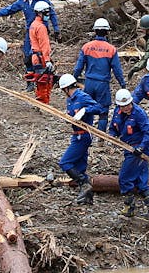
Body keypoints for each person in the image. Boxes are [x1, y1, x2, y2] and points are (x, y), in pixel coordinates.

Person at [0, 0, 59, 83]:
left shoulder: (42, 1)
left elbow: (51, 13)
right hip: (30, 31)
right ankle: (30, 81)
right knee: (28, 56)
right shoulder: (22, 2)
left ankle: (44, 77)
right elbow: (8, 10)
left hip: (41, 30)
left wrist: (56, 29)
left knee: (42, 53)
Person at [72, 18, 126, 133]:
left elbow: (78, 67)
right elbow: (117, 70)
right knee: (103, 111)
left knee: (87, 108)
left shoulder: (86, 47)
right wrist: (122, 84)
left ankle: (86, 133)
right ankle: (100, 138)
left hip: (89, 83)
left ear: (95, 31)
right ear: (107, 32)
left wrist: (73, 80)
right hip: (103, 84)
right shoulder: (111, 49)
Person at [110, 89, 149, 219]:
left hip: (138, 150)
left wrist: (141, 147)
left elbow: (148, 132)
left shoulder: (139, 113)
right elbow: (113, 128)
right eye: (123, 106)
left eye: (127, 105)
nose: (126, 108)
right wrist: (112, 136)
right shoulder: (117, 113)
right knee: (141, 180)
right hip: (127, 147)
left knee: (124, 178)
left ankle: (129, 206)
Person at [58, 74, 104, 205]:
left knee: (65, 162)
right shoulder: (70, 100)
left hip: (83, 136)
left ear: (66, 88)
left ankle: (84, 183)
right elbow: (72, 116)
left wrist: (85, 110)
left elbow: (99, 108)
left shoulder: (82, 97)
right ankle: (87, 197)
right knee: (80, 167)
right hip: (76, 134)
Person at [28, 0, 56, 104]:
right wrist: (47, 60)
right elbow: (44, 45)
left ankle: (40, 102)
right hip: (41, 58)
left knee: (40, 82)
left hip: (35, 57)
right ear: (39, 13)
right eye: (46, 13)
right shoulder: (41, 27)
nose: (48, 15)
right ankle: (43, 104)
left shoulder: (33, 24)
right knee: (44, 82)